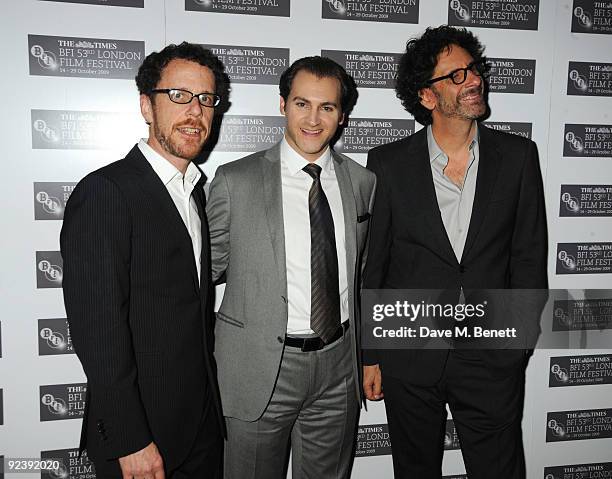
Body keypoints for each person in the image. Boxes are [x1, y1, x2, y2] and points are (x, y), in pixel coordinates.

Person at [362, 26, 548, 479]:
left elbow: (528, 255)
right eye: (457, 75)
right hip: (410, 351)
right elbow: (376, 264)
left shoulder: (519, 156)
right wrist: (370, 352)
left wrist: (517, 339)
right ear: (427, 96)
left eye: (475, 69)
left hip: (491, 355)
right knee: (415, 468)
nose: (474, 81)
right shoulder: (387, 163)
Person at [60, 42, 228, 479]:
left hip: (201, 425)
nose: (195, 112)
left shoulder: (192, 192)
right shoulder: (106, 191)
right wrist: (129, 438)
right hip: (141, 436)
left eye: (207, 99)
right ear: (146, 106)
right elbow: (98, 331)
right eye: (178, 96)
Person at [206, 56, 376, 478]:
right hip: (259, 367)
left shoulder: (362, 182)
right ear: (283, 104)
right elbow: (200, 274)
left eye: (328, 107)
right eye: (302, 104)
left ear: (342, 115)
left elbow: (365, 276)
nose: (313, 119)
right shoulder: (235, 180)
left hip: (338, 366)